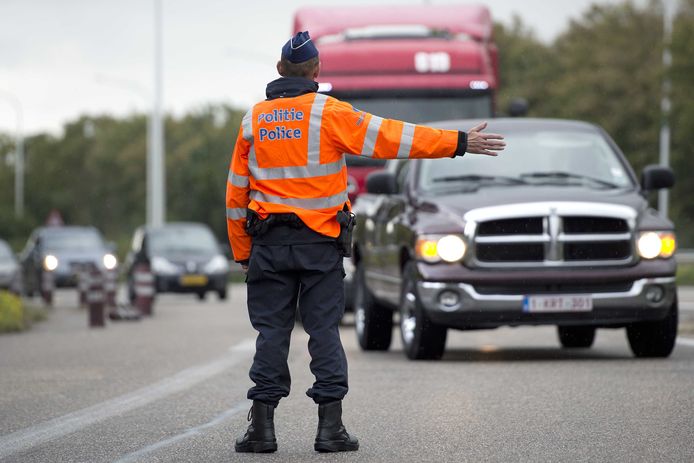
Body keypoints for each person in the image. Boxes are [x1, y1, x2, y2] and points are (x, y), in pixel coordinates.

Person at [225, 31, 505, 454]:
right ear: (316, 72)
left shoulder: (253, 120)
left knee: (271, 333)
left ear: (280, 70)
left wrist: (243, 253)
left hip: (269, 245)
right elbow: (394, 136)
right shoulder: (330, 114)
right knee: (323, 332)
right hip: (319, 245)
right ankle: (329, 430)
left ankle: (261, 431)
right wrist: (459, 142)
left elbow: (235, 195)